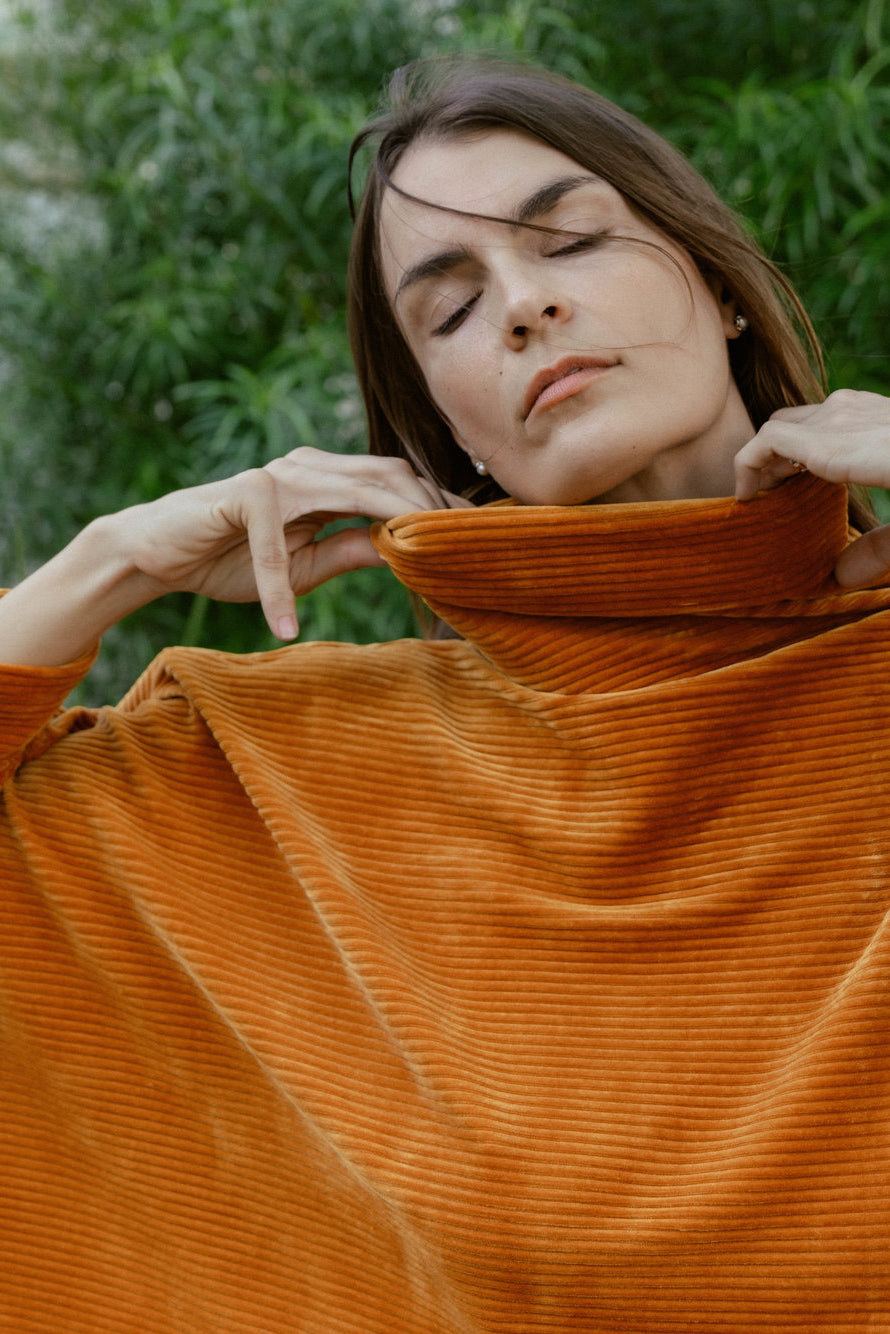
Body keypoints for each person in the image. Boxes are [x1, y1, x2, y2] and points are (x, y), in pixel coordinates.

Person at [1, 55, 889, 1332]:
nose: (524, 306)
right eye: (451, 312)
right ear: (444, 426)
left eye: (570, 240)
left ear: (715, 281)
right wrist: (104, 562)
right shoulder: (273, 774)